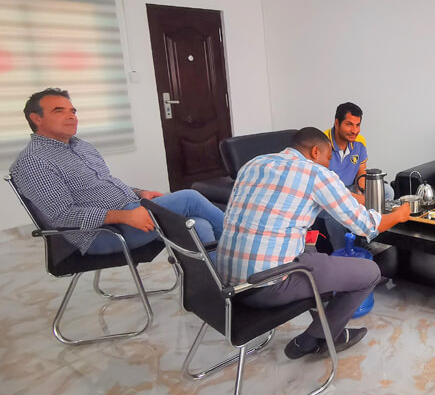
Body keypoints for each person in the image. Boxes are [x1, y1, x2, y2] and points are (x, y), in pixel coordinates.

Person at [216, 127, 410, 359]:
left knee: (313, 250)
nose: (328, 165)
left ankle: (326, 329)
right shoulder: (316, 174)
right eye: (328, 159)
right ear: (316, 151)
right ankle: (316, 339)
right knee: (370, 272)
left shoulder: (254, 164)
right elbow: (366, 226)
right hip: (265, 286)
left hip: (225, 281)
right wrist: (399, 214)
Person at [10, 88, 224, 255]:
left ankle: (216, 283)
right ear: (36, 118)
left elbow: (104, 182)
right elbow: (62, 215)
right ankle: (244, 240)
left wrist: (139, 192)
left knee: (199, 225)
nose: (71, 116)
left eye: (72, 111)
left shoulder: (80, 146)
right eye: (59, 111)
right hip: (103, 233)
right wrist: (124, 216)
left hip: (131, 210)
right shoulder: (34, 161)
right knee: (189, 198)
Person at [319, 102, 395, 250]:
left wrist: (362, 191)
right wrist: (359, 199)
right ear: (336, 122)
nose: (354, 130)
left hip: (350, 188)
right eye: (349, 125)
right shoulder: (322, 144)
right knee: (334, 216)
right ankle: (343, 253)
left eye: (357, 125)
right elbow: (326, 189)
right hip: (328, 195)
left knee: (387, 192)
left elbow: (361, 171)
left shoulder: (359, 141)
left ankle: (369, 238)